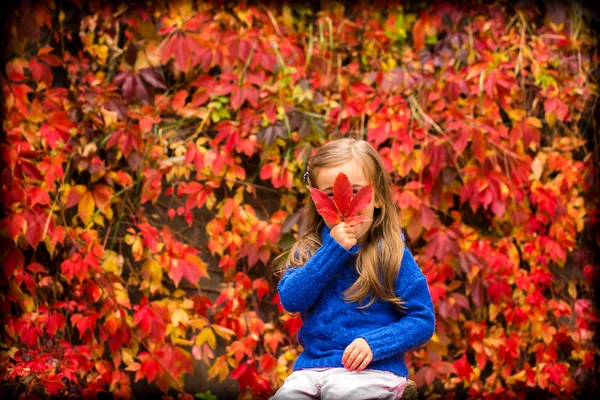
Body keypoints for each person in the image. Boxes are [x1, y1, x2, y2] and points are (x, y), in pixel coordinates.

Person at [271, 138, 435, 400]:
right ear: (317, 202)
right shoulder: (310, 251)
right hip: (312, 370)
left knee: (343, 392)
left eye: (356, 192)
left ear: (377, 198)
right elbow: (291, 300)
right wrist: (331, 252)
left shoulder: (392, 254)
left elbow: (422, 319)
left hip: (371, 371)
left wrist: (375, 343)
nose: (342, 207)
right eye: (329, 195)